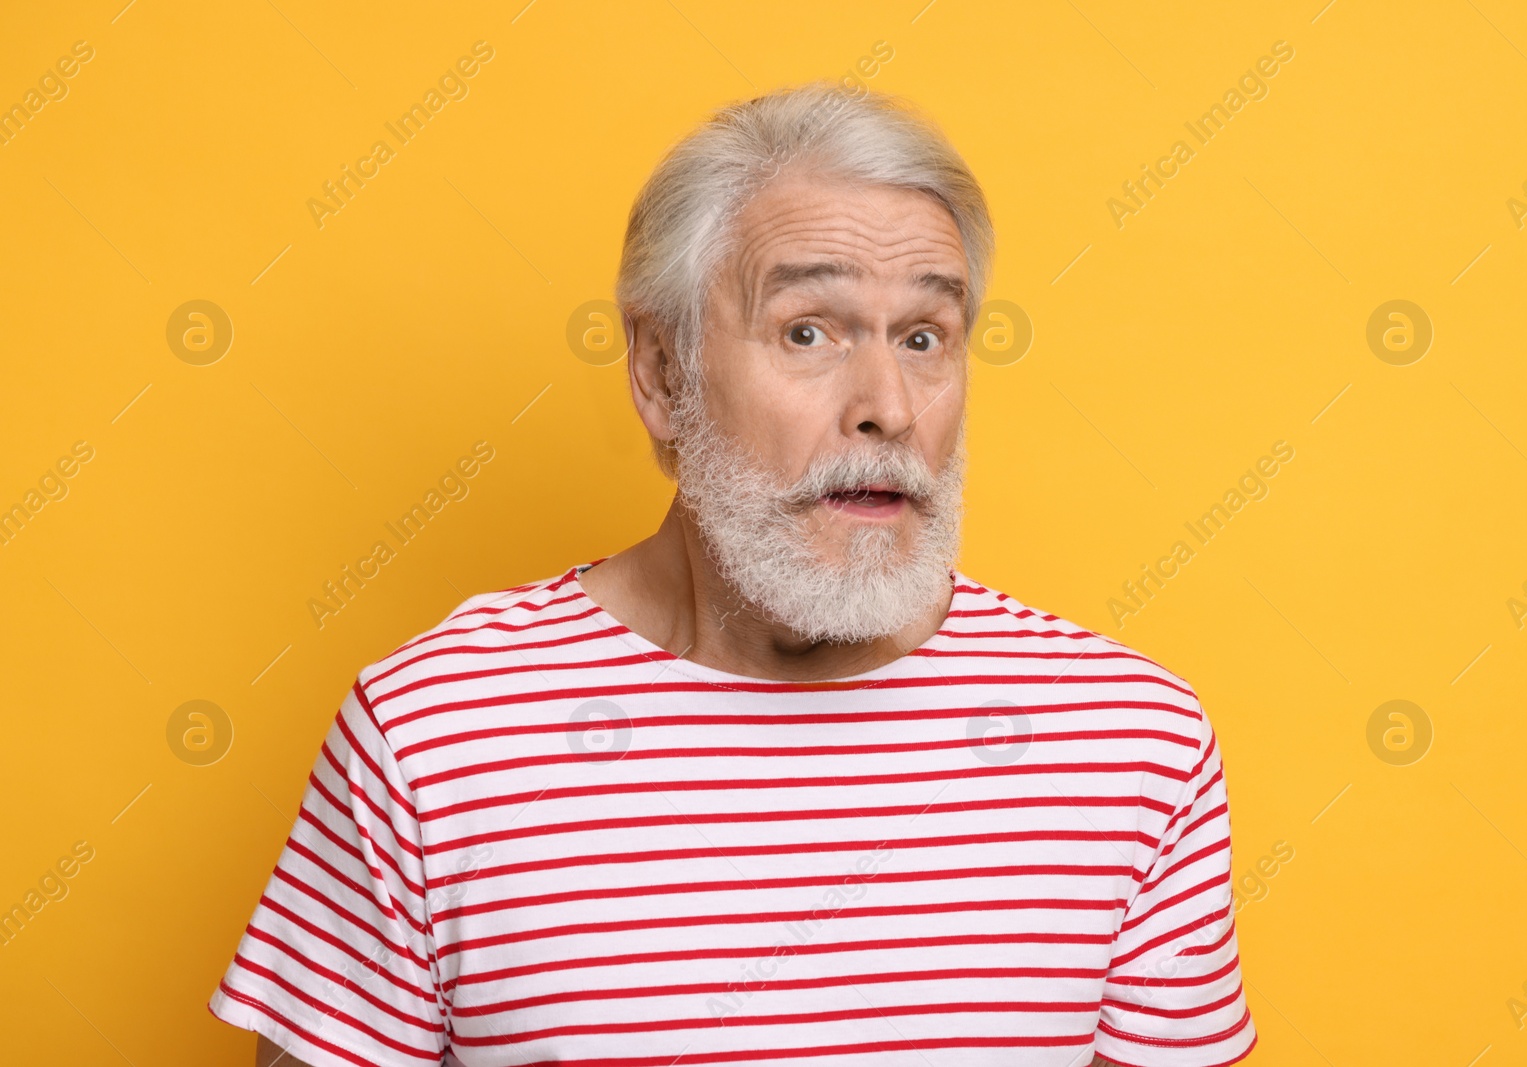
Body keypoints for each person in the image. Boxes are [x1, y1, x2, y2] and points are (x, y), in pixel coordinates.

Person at [213, 81, 1255, 1067]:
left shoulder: (1129, 742)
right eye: (809, 329)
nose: (888, 405)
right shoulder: (435, 731)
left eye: (925, 335)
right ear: (663, 372)